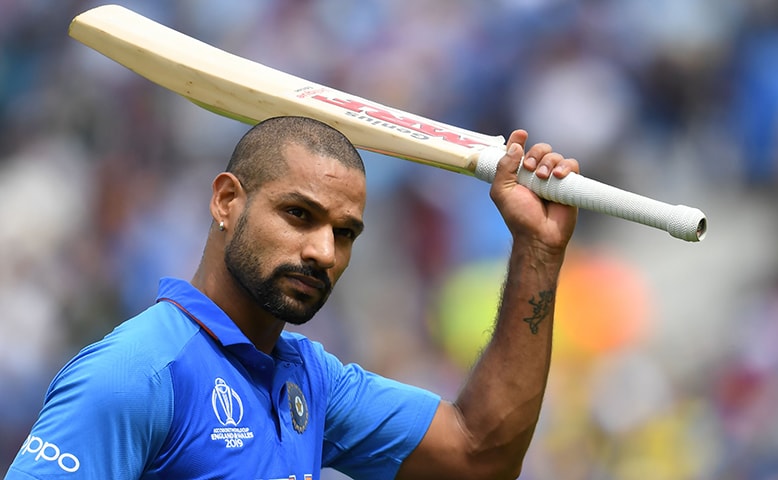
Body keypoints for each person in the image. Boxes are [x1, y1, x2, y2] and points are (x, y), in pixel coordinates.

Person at [4, 116, 579, 479]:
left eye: (345, 232)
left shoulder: (311, 378)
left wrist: (537, 250)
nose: (324, 252)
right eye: (299, 215)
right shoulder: (137, 373)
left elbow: (481, 455)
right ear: (227, 201)